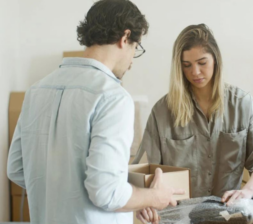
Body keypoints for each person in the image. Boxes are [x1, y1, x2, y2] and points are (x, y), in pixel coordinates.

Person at [7, 1, 183, 224]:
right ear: (125, 37)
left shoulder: (36, 91)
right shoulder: (113, 97)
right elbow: (106, 192)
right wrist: (154, 197)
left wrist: (128, 200)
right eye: (135, 48)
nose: (131, 62)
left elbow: (16, 169)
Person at [134, 24, 253, 223]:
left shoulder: (242, 104)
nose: (195, 72)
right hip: (177, 216)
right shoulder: (162, 111)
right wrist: (144, 201)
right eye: (187, 65)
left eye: (202, 62)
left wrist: (247, 191)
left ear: (215, 60)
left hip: (228, 214)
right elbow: (143, 170)